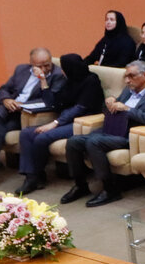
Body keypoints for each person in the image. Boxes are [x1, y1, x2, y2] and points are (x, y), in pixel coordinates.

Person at [60, 60, 145, 207]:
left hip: (130, 135)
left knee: (93, 142)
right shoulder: (128, 90)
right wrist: (110, 101)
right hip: (111, 129)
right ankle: (80, 185)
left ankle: (109, 189)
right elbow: (112, 108)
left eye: (131, 76)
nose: (127, 80)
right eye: (126, 76)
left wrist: (127, 109)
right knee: (73, 141)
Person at [14, 53, 104, 195]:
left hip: (82, 122)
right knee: (26, 133)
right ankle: (32, 176)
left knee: (41, 137)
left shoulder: (91, 81)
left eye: (64, 68)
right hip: (64, 120)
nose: (62, 71)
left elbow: (80, 108)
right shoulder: (69, 81)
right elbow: (54, 103)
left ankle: (35, 175)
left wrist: (55, 123)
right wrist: (43, 81)